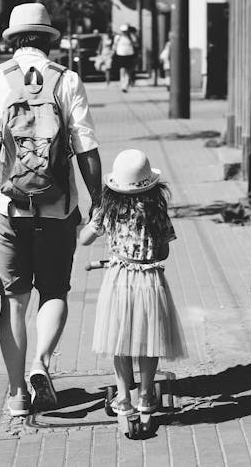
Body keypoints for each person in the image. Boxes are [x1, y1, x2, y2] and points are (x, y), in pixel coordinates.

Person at [0, 2, 102, 417]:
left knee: (13, 301)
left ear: (13, 40)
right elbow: (85, 146)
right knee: (54, 291)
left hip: (7, 208)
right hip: (58, 207)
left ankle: (18, 392)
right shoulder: (67, 79)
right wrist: (97, 201)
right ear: (48, 40)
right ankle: (42, 363)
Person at [79, 149, 187, 415]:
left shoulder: (108, 209)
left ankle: (124, 396)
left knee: (118, 338)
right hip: (150, 279)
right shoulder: (156, 211)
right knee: (150, 339)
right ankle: (147, 395)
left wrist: (95, 222)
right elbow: (163, 252)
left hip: (118, 280)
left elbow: (84, 239)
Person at [113, 24, 136, 93]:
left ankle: (126, 85)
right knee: (122, 70)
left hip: (129, 54)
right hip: (121, 54)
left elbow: (135, 42)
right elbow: (114, 45)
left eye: (125, 31)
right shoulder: (118, 37)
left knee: (128, 71)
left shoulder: (130, 37)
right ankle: (123, 85)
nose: (124, 32)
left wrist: (131, 35)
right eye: (123, 31)